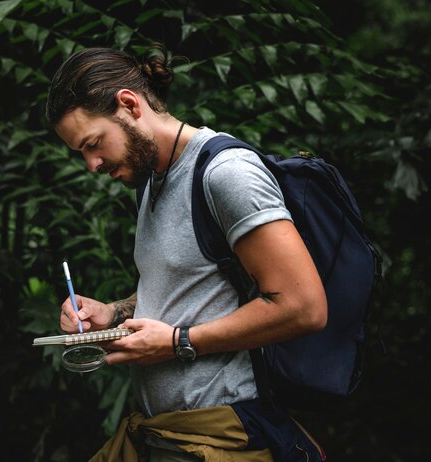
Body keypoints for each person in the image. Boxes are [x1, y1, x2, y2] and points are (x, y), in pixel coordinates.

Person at [46, 44, 328, 462]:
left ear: (129, 104)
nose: (91, 164)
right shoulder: (151, 181)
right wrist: (115, 313)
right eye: (82, 153)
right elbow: (192, 288)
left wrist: (178, 342)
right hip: (162, 434)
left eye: (94, 143)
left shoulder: (225, 174)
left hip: (221, 436)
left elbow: (304, 306)